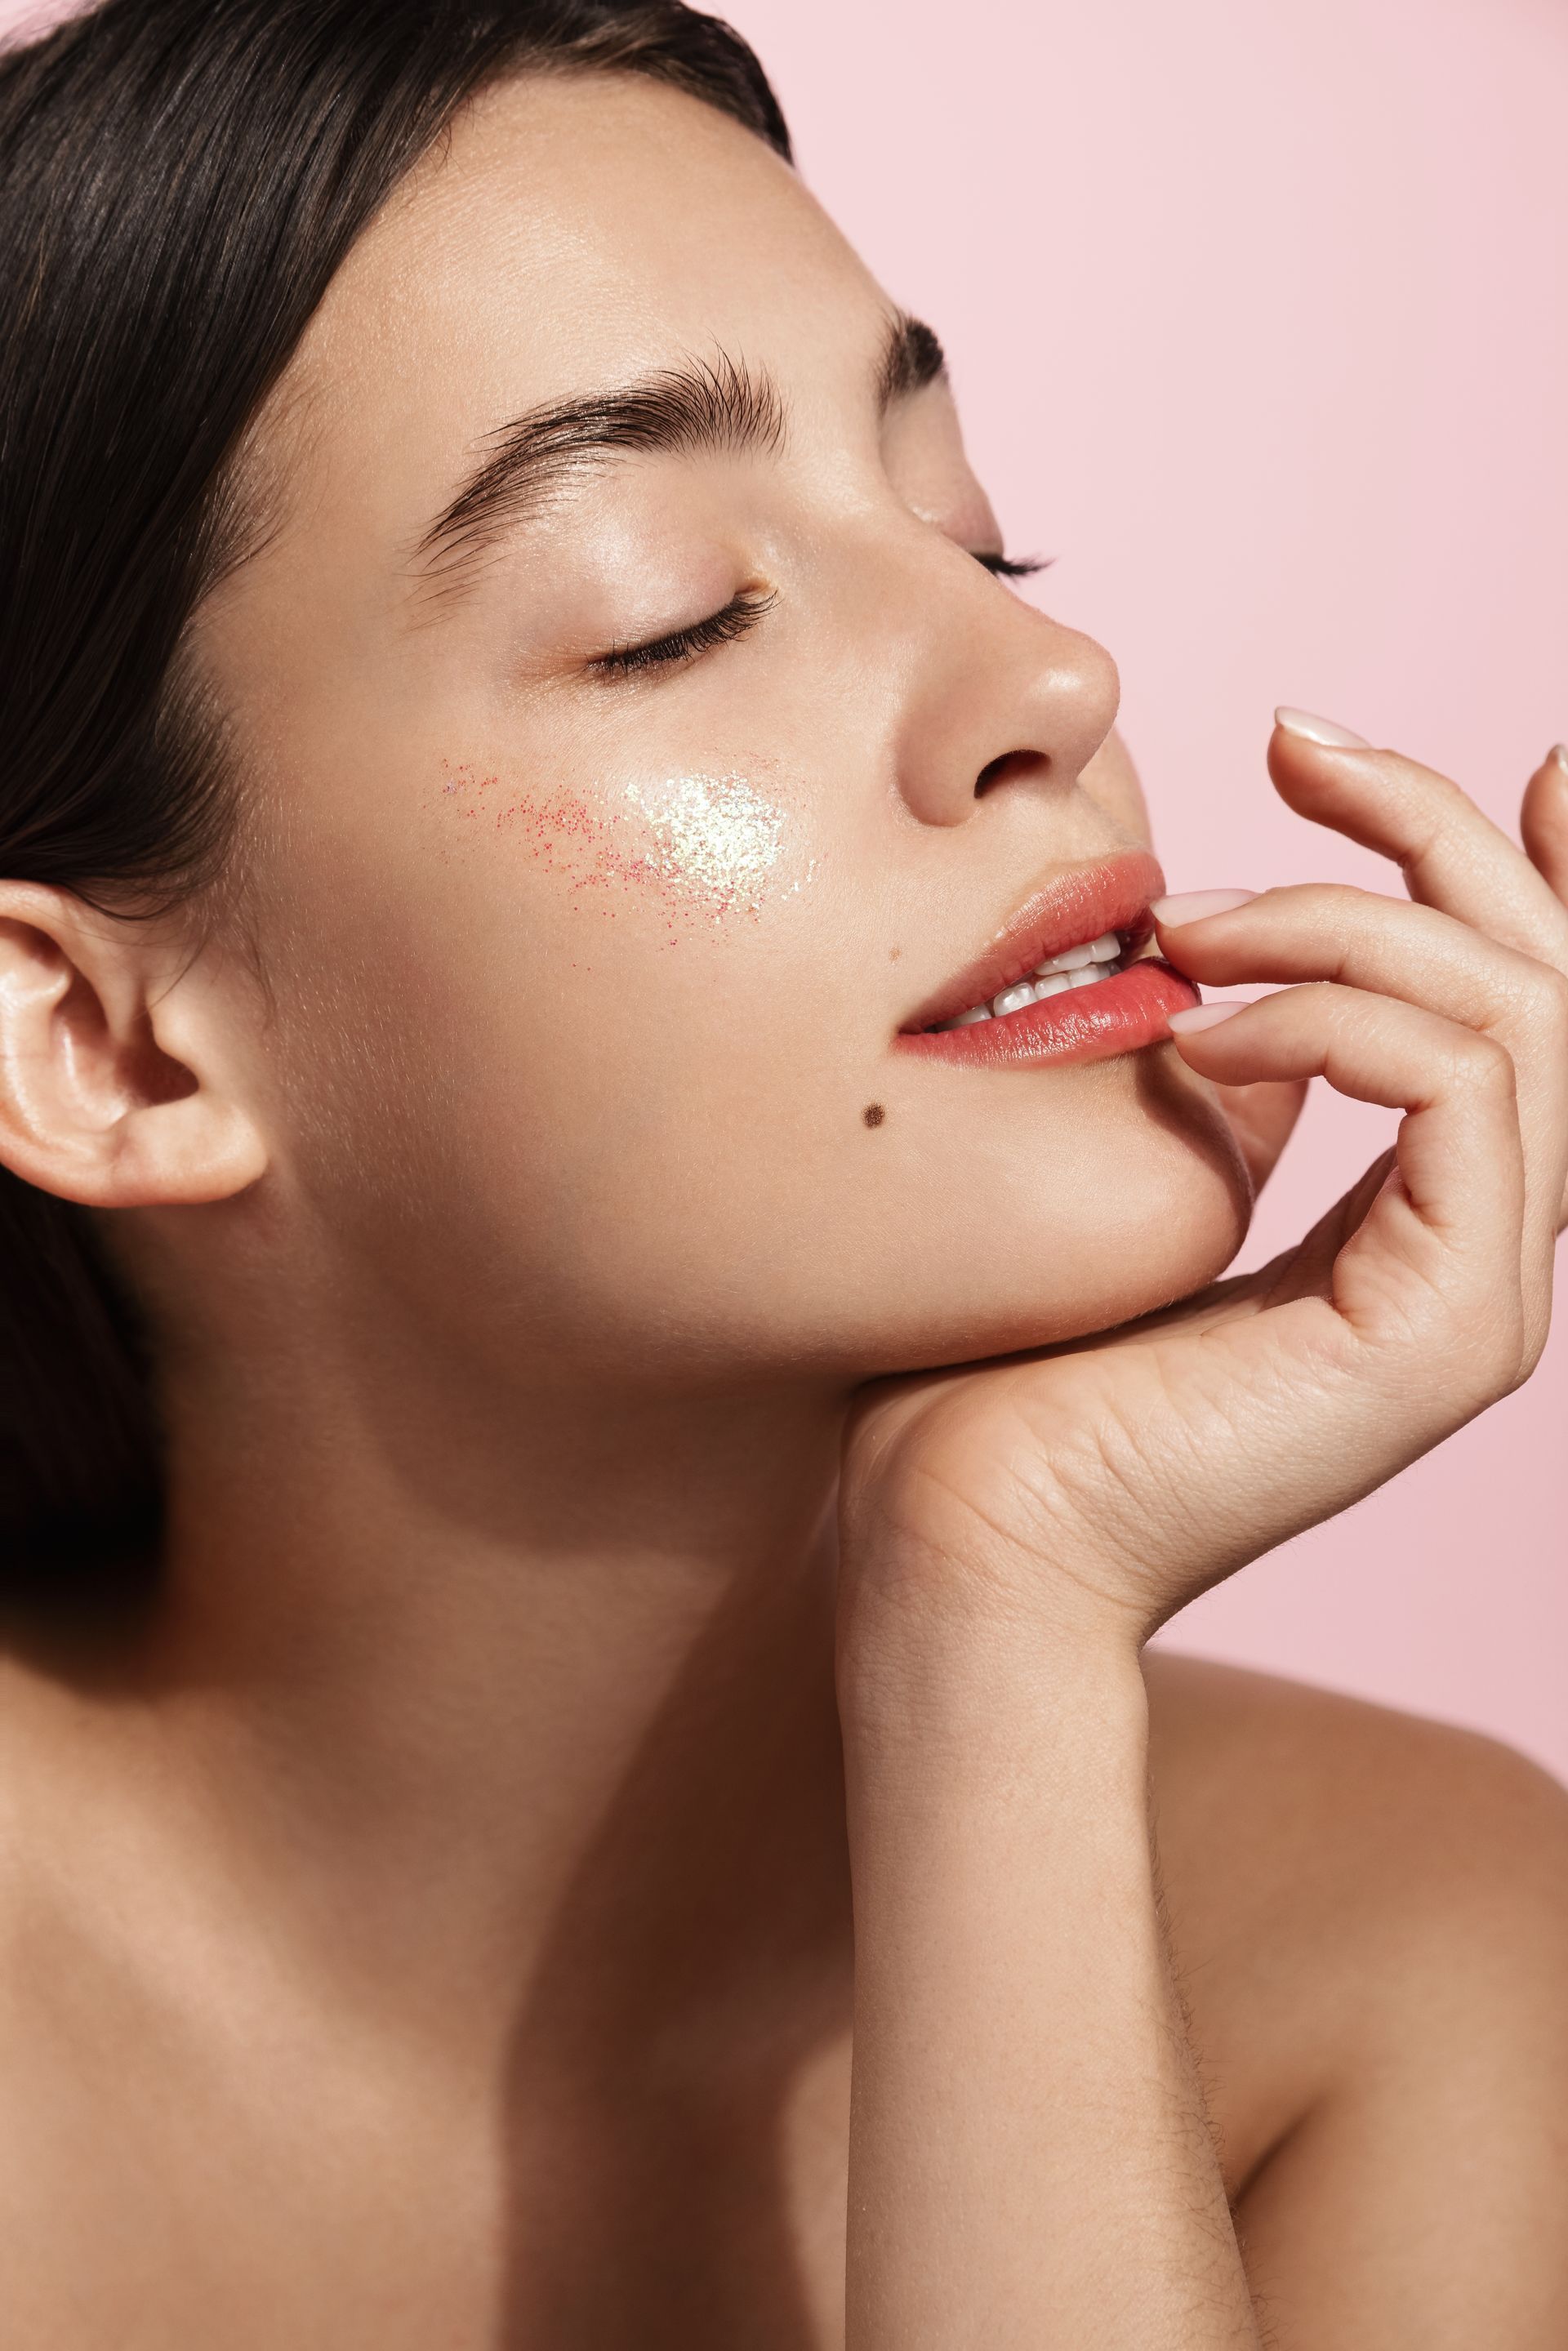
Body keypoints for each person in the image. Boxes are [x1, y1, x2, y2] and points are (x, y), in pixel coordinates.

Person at [1, 0, 1566, 2340]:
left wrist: (1001, 1619)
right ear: (107, 1045)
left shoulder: (1410, 1947)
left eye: (967, 527)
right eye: (678, 618)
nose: (1054, 679)